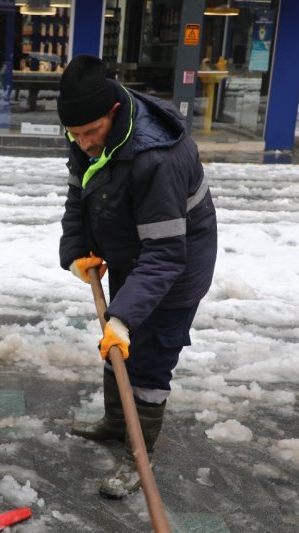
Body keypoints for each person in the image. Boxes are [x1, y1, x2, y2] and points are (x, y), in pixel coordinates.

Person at [57, 55, 217, 498]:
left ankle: (138, 455)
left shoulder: (156, 158)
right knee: (118, 346)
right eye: (74, 134)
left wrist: (123, 317)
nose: (83, 143)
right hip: (132, 252)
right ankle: (116, 423)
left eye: (90, 132)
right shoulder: (87, 132)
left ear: (113, 111)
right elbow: (79, 194)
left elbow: (165, 254)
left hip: (176, 266)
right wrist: (76, 252)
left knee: (149, 360)